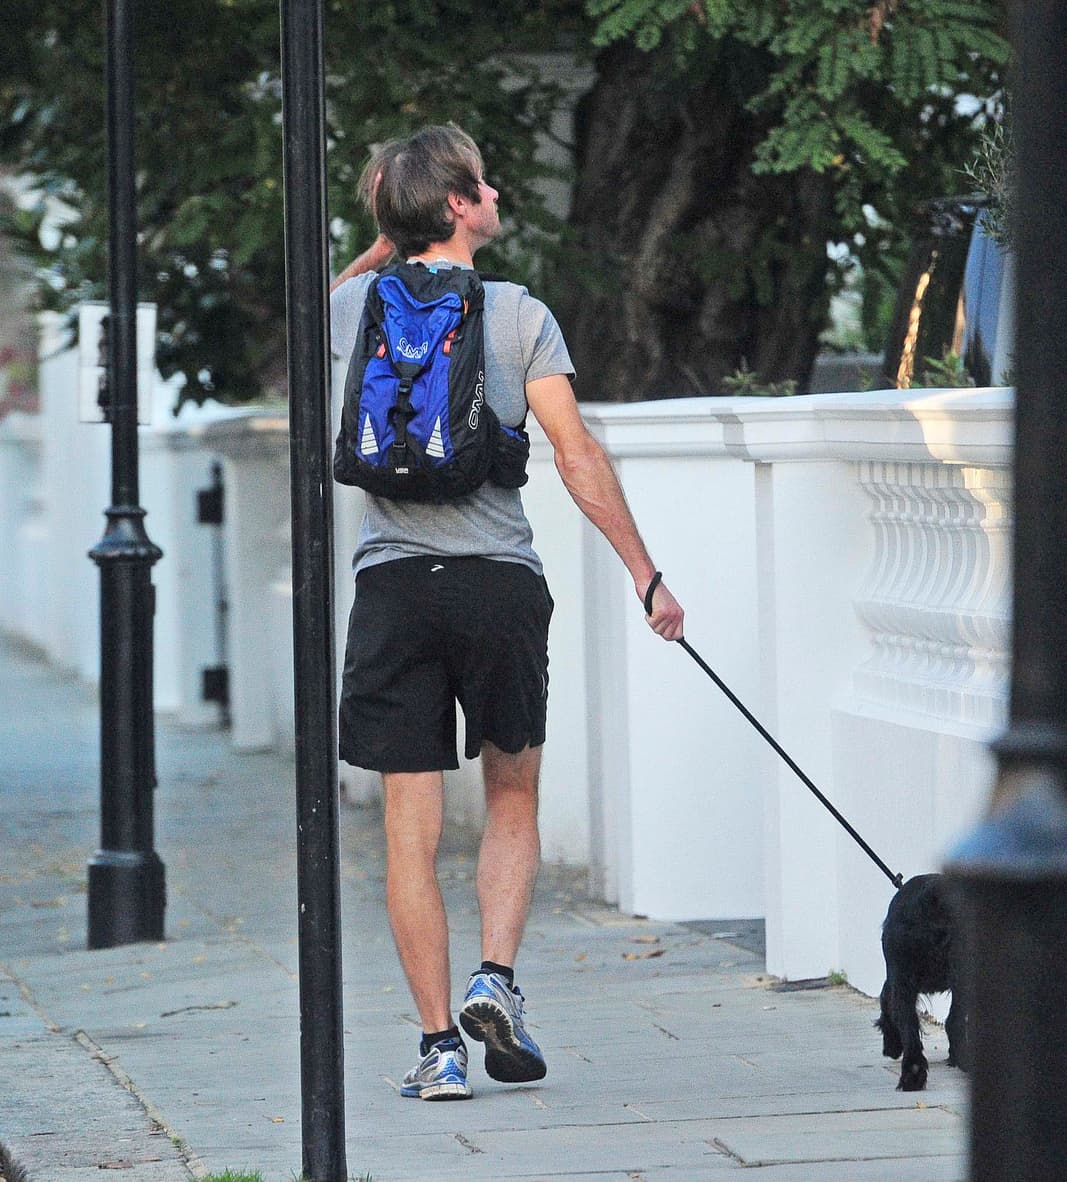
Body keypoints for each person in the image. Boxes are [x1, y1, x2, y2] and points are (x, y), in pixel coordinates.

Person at [329, 124, 685, 1101]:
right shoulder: (519, 314)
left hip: (393, 590)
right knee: (511, 796)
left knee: (410, 831)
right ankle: (497, 978)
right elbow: (574, 457)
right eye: (480, 186)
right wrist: (644, 574)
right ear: (457, 208)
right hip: (497, 586)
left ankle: (439, 1047)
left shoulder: (353, 307)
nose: (494, 197)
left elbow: (332, 289)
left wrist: (385, 238)